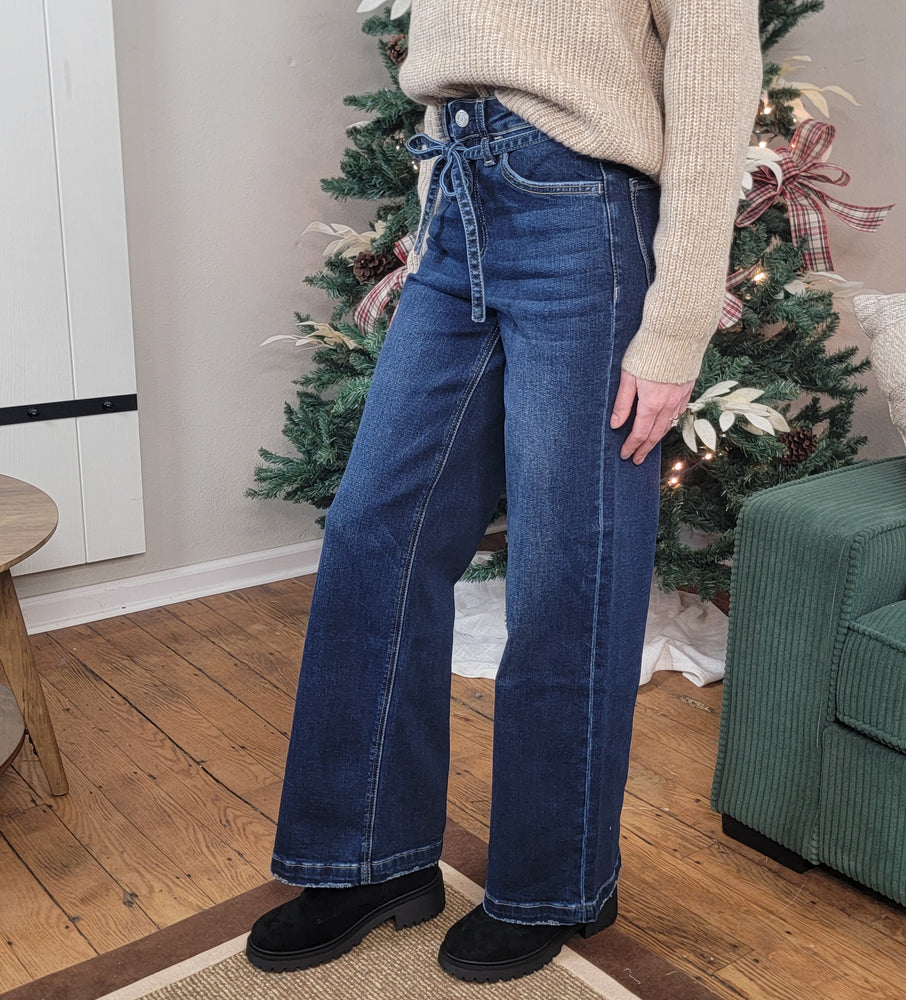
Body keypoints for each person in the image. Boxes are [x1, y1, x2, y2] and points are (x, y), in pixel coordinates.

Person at [246, 0, 761, 984]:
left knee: (569, 561)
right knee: (373, 532)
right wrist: (443, 197)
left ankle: (552, 877)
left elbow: (712, 74)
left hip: (584, 214)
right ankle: (368, 855)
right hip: (456, 202)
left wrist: (678, 325)